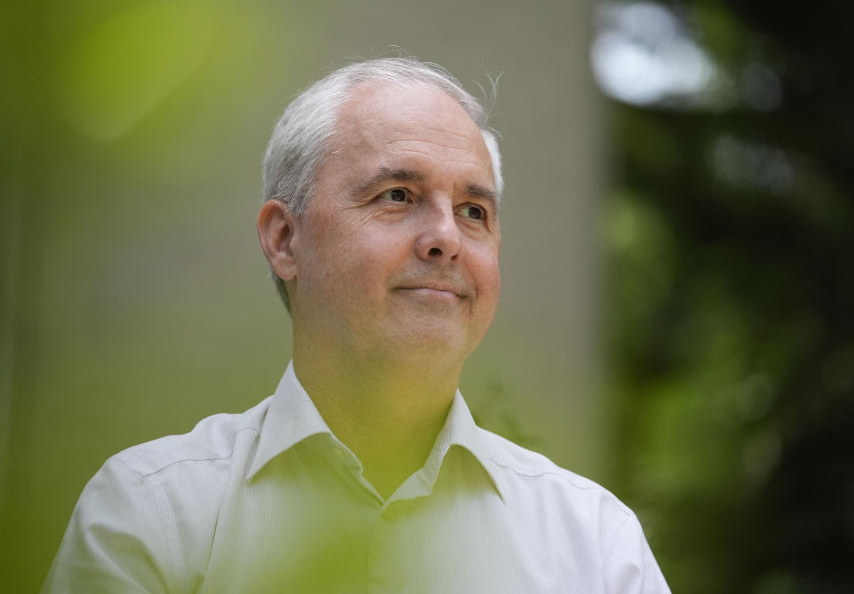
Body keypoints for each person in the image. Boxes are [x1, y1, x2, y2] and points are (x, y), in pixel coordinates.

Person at [42, 58, 671, 593]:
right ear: (285, 239)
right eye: (397, 196)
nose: (446, 238)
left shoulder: (596, 547)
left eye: (474, 211)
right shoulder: (149, 513)